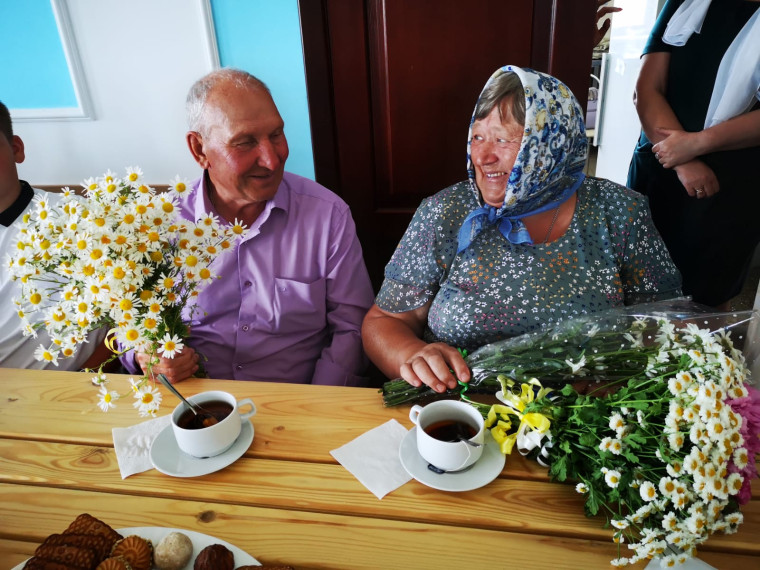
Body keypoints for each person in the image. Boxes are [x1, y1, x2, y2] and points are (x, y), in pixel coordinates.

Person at [362, 66, 682, 393]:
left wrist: (619, 382)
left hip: (583, 419)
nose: (482, 156)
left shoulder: (618, 212)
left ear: (550, 144)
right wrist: (414, 355)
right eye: (477, 137)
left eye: (501, 139)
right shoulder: (445, 212)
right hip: (459, 415)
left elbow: (665, 322)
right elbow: (385, 322)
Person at [124, 69, 374, 386]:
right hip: (192, 402)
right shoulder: (155, 224)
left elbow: (352, 326)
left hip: (298, 402)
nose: (272, 160)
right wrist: (142, 355)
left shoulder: (328, 215)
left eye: (276, 135)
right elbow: (124, 320)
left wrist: (317, 408)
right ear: (199, 150)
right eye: (245, 142)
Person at [627, 0, 760, 310]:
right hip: (660, 163)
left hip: (729, 183)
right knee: (635, 285)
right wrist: (684, 160)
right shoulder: (684, 2)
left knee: (707, 299)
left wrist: (697, 144)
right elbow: (646, 90)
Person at [0, 101, 109, 370]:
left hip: (78, 389)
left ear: (16, 149)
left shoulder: (82, 218)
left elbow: (130, 317)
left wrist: (88, 379)